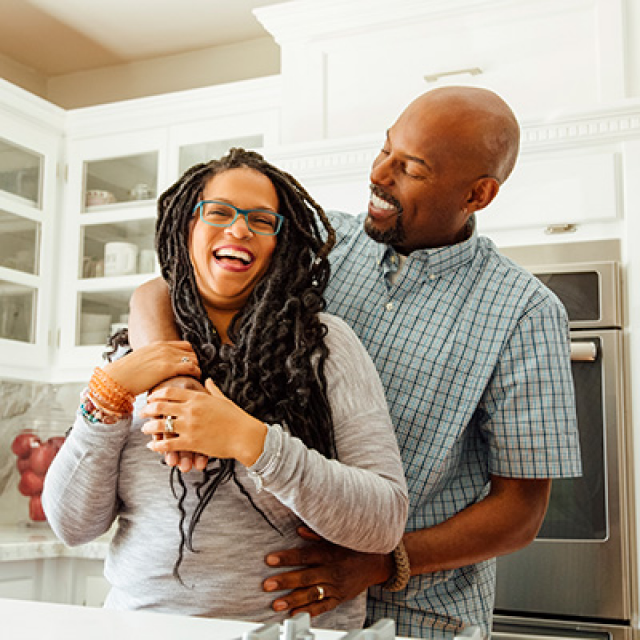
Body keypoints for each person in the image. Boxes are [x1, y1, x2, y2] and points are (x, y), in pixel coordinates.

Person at [127, 87, 582, 638]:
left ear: (478, 193)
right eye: (385, 149)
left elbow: (520, 511)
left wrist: (383, 562)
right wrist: (176, 388)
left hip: (424, 616)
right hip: (292, 608)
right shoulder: (320, 242)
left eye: (410, 168)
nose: (379, 174)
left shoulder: (524, 312)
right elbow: (163, 288)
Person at [42, 149, 408, 631]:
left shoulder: (325, 345)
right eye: (218, 212)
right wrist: (104, 401)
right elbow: (71, 526)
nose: (238, 230)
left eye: (262, 220)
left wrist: (250, 441)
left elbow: (383, 522)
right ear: (185, 227)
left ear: (281, 243)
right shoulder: (130, 356)